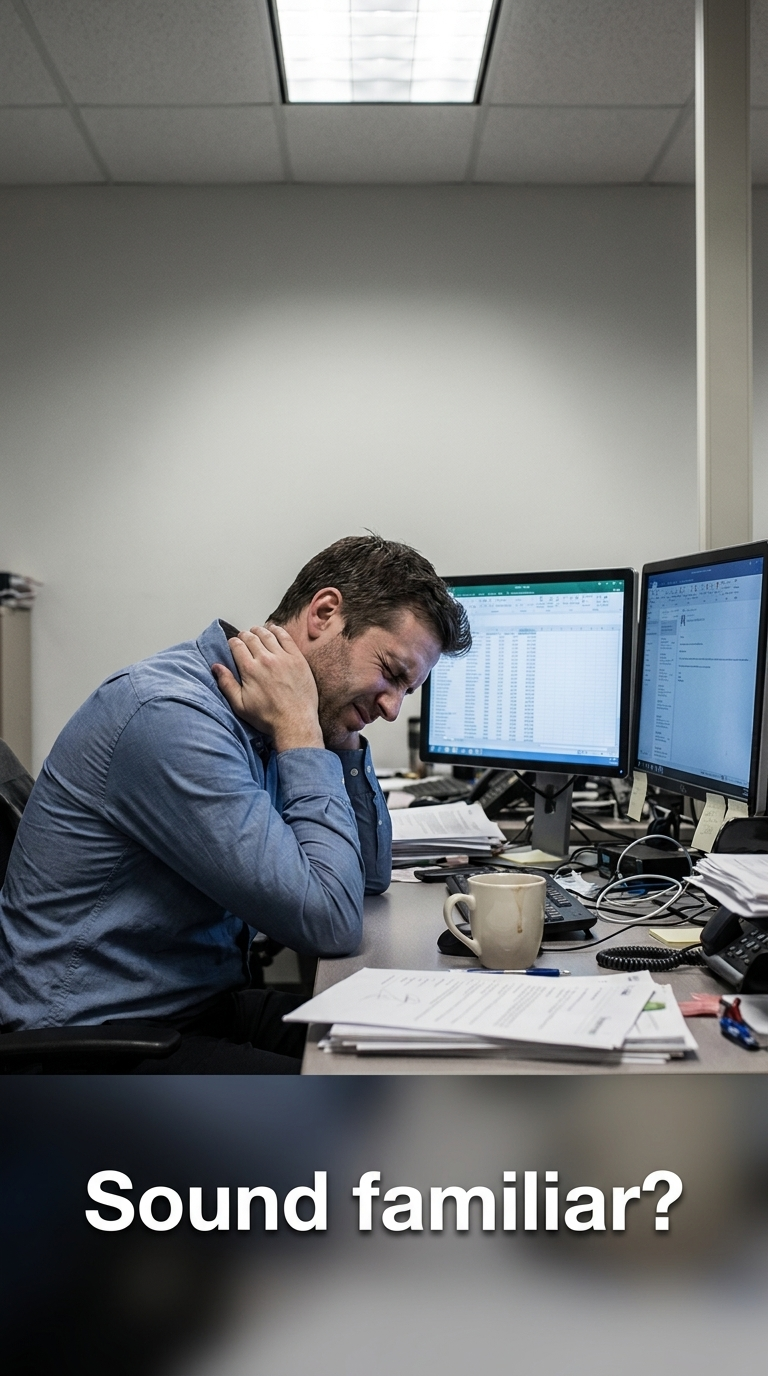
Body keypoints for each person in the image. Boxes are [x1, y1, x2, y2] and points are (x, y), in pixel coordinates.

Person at [0, 536, 470, 1072]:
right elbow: (330, 924)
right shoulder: (171, 717)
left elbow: (367, 877)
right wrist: (301, 731)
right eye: (391, 672)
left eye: (406, 690)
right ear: (324, 613)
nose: (392, 708)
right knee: (367, 1107)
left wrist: (336, 739)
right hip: (94, 1043)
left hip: (190, 1009)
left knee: (416, 1055)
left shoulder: (268, 716)